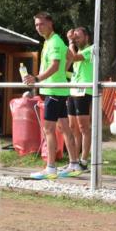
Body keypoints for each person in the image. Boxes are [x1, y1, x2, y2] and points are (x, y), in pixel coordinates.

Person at [22, 12, 79, 179]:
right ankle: (74, 164)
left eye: (42, 24)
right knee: (64, 128)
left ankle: (51, 168)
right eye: (36, 25)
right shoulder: (53, 41)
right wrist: (63, 71)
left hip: (54, 91)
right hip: (58, 90)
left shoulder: (53, 42)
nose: (39, 28)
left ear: (50, 23)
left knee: (48, 129)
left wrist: (37, 78)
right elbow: (71, 57)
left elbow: (55, 65)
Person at [66, 26, 94, 172]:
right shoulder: (78, 50)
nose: (76, 39)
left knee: (83, 127)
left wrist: (70, 42)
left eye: (78, 37)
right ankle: (74, 161)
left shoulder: (91, 49)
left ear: (86, 37)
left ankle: (84, 161)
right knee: (72, 127)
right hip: (73, 90)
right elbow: (68, 64)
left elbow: (73, 57)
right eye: (74, 37)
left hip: (84, 91)